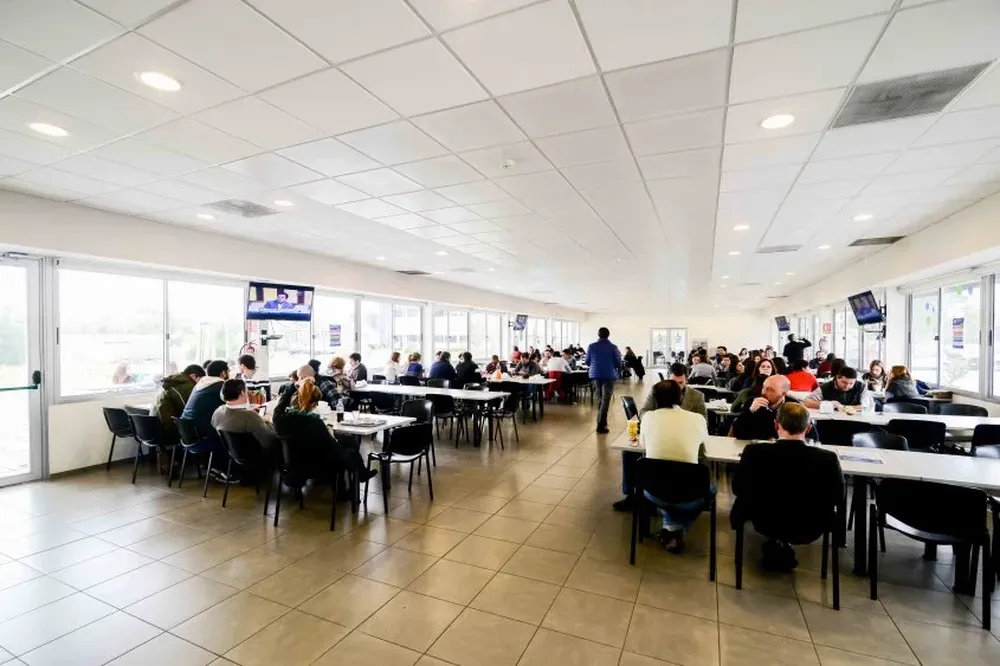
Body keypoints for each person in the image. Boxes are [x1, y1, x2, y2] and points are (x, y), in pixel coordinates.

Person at [731, 402, 844, 572]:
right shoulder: (828, 459)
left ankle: (777, 546)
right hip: (810, 525)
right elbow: (838, 497)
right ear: (808, 428)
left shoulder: (754, 453)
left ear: (776, 425)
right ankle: (780, 549)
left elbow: (738, 488)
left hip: (764, 520)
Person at [637, 379, 712, 553]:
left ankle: (669, 529)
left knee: (669, 496)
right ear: (680, 398)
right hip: (691, 493)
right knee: (711, 489)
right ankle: (674, 529)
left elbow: (644, 445)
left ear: (654, 400)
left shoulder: (648, 418)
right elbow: (703, 446)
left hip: (654, 491)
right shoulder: (698, 419)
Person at [272, 377, 378, 484]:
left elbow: (280, 407)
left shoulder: (280, 420)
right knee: (350, 450)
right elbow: (333, 449)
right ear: (314, 404)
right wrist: (330, 433)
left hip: (292, 466)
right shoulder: (315, 422)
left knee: (347, 443)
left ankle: (360, 475)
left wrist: (291, 388)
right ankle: (350, 487)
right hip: (318, 467)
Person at [180, 360, 231, 475]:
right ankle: (225, 469)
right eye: (229, 371)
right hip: (201, 438)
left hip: (187, 435)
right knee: (232, 434)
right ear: (223, 373)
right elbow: (232, 408)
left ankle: (212, 466)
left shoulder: (199, 385)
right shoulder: (221, 386)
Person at [211, 378, 277, 451]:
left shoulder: (217, 411)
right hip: (257, 454)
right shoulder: (250, 416)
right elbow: (269, 439)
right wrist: (270, 422)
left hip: (232, 452)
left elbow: (233, 419)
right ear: (242, 393)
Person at [731, 375, 797, 441]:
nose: (763, 392)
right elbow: (737, 432)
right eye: (763, 388)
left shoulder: (794, 408)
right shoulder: (752, 402)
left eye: (770, 390)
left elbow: (795, 435)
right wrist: (750, 411)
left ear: (783, 394)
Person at [152, 363, 205, 443]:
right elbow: (189, 409)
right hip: (167, 429)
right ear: (193, 376)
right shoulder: (187, 385)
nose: (200, 384)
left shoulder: (172, 381)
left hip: (154, 427)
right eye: (200, 380)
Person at [587, 327, 622, 434]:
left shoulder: (591, 346)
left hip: (596, 375)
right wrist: (617, 369)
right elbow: (618, 362)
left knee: (601, 399)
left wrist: (595, 366)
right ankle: (601, 425)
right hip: (608, 375)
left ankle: (602, 422)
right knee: (605, 400)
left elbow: (587, 361)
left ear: (598, 335)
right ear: (608, 335)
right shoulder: (613, 347)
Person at [640, 363, 707, 418]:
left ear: (686, 380)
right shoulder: (656, 390)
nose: (677, 386)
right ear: (668, 377)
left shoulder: (697, 396)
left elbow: (704, 421)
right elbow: (643, 412)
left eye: (680, 383)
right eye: (673, 382)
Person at [803, 366, 867, 410]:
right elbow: (806, 402)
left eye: (851, 383)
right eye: (844, 382)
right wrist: (828, 404)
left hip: (856, 423)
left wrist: (844, 408)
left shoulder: (861, 387)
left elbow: (867, 406)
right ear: (837, 378)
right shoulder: (825, 387)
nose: (847, 386)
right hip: (831, 425)